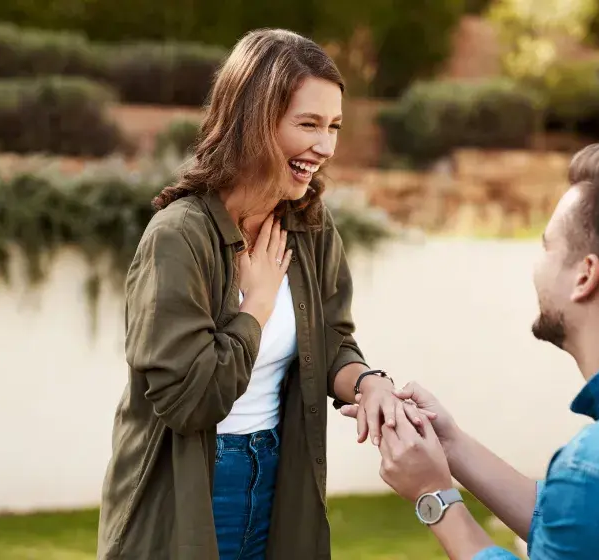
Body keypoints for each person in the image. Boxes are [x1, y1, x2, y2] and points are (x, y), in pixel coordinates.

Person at [342, 143, 599, 559]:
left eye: (547, 246)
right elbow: (584, 526)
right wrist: (451, 446)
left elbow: (597, 497)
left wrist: (432, 496)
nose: (537, 265)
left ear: (585, 276)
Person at [97, 28, 408, 560]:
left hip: (279, 477)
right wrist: (255, 309)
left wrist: (369, 384)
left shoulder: (310, 226)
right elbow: (188, 401)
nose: (325, 146)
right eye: (308, 124)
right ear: (255, 122)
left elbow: (331, 339)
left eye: (333, 127)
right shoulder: (179, 236)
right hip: (192, 492)